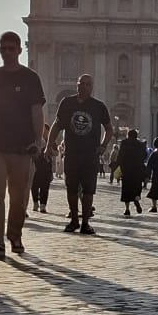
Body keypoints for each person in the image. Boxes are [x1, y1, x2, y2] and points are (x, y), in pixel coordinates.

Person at [0, 32, 46, 258]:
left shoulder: (30, 78)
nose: (7, 52)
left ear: (19, 50)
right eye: (3, 48)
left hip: (22, 147)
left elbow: (37, 111)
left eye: (11, 48)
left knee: (19, 196)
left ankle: (14, 234)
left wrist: (38, 140)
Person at [49, 73, 112, 235]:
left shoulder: (98, 106)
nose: (83, 86)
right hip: (72, 152)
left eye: (87, 84)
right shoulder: (67, 103)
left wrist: (104, 145)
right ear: (76, 85)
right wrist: (49, 143)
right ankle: (74, 220)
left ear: (91, 87)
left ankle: (85, 222)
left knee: (89, 189)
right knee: (71, 188)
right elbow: (56, 125)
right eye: (80, 83)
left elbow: (109, 128)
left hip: (90, 154)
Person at [117, 127, 147, 215]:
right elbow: (144, 156)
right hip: (137, 170)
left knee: (126, 189)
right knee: (137, 186)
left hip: (126, 169)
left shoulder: (124, 143)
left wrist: (118, 166)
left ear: (128, 135)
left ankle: (127, 209)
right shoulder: (140, 144)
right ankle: (136, 198)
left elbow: (120, 156)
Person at [31, 141, 54, 213]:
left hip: (46, 168)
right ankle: (35, 203)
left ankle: (43, 205)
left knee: (45, 187)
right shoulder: (34, 139)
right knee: (34, 186)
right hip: (35, 167)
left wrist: (51, 151)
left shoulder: (50, 140)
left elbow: (56, 153)